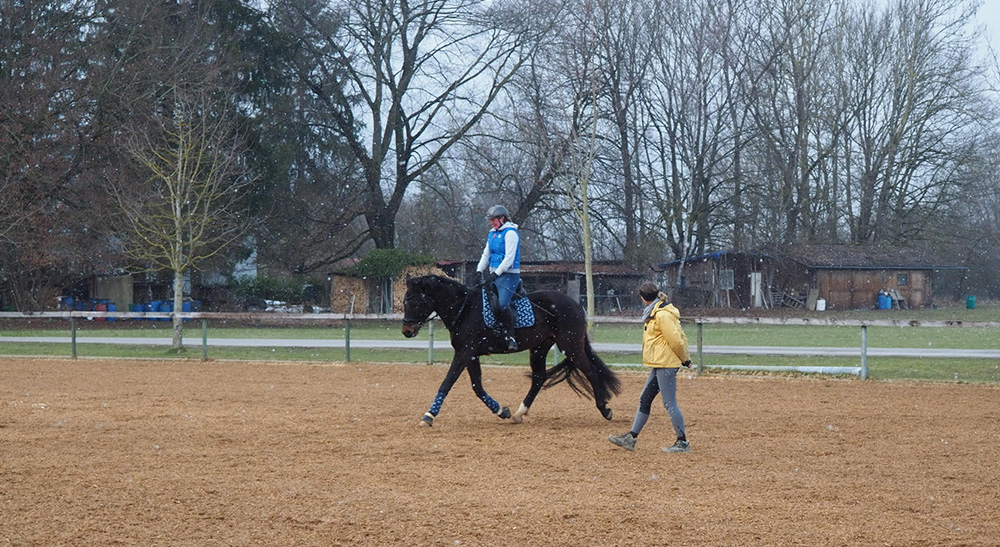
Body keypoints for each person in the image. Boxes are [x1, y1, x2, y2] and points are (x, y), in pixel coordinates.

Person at [608, 281, 692, 453]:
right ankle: (631, 438)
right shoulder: (656, 311)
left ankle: (682, 442)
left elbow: (677, 339)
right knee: (645, 399)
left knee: (669, 403)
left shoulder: (662, 314)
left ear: (643, 298)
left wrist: (685, 359)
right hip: (659, 363)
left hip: (666, 364)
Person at [476, 205, 521, 350]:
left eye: (494, 220)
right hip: (494, 275)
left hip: (509, 276)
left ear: (502, 219)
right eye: (490, 220)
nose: (492, 223)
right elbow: (486, 255)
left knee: (502, 305)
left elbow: (509, 258)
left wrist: (495, 274)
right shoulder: (492, 234)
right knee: (483, 303)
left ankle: (511, 336)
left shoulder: (511, 234)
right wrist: (479, 270)